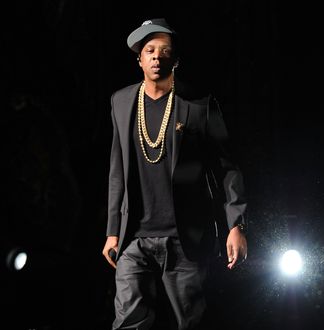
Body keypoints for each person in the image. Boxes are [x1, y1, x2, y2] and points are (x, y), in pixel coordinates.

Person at [102, 18, 248, 330]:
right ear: (139, 59)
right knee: (127, 322)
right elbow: (117, 170)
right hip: (133, 238)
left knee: (192, 322)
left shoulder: (200, 105)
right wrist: (112, 229)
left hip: (184, 237)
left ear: (175, 60)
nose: (157, 56)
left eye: (164, 51)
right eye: (150, 50)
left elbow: (227, 167)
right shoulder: (121, 101)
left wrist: (235, 224)